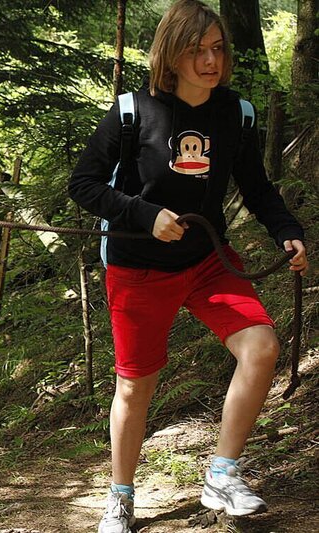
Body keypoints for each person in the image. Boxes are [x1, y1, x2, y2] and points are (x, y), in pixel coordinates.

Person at [68, 1, 308, 531]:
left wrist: (287, 230)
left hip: (207, 261)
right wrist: (144, 214)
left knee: (261, 347)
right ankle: (120, 497)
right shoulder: (133, 112)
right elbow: (82, 184)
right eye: (197, 50)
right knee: (136, 386)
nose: (210, 61)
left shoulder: (235, 114)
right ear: (170, 54)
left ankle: (222, 474)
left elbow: (257, 187)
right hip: (138, 268)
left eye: (217, 49)